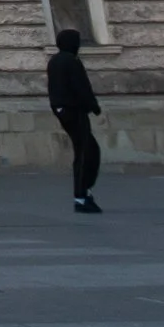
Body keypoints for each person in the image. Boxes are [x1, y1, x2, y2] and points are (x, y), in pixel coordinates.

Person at [47, 27, 103, 212]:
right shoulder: (71, 61)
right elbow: (81, 87)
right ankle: (81, 196)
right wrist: (93, 106)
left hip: (62, 109)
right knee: (86, 152)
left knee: (86, 150)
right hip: (74, 110)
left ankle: (83, 192)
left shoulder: (54, 60)